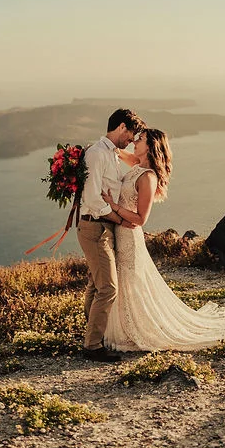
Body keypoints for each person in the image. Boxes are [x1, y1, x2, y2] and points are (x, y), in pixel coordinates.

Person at [100, 128, 225, 351]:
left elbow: (141, 218)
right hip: (120, 231)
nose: (135, 141)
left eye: (140, 139)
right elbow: (117, 152)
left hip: (129, 236)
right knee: (122, 281)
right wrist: (96, 148)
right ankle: (122, 326)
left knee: (131, 281)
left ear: (151, 147)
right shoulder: (137, 165)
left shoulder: (148, 177)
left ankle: (134, 329)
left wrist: (112, 205)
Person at [75, 108, 144, 362]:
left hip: (104, 226)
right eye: (131, 134)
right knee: (108, 288)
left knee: (96, 285)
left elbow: (138, 163)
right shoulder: (97, 154)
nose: (131, 140)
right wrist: (120, 219)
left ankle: (92, 336)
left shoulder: (112, 154)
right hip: (94, 226)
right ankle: (93, 346)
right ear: (121, 127)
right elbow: (93, 199)